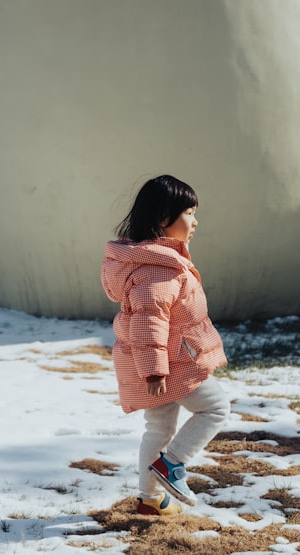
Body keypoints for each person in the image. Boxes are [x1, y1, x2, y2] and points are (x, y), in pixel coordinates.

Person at [101, 175, 230, 516]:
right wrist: (155, 371)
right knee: (216, 408)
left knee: (158, 428)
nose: (195, 221)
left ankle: (150, 500)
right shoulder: (159, 270)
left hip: (162, 363)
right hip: (170, 365)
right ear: (162, 219)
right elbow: (148, 323)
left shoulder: (153, 262)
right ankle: (172, 464)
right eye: (189, 212)